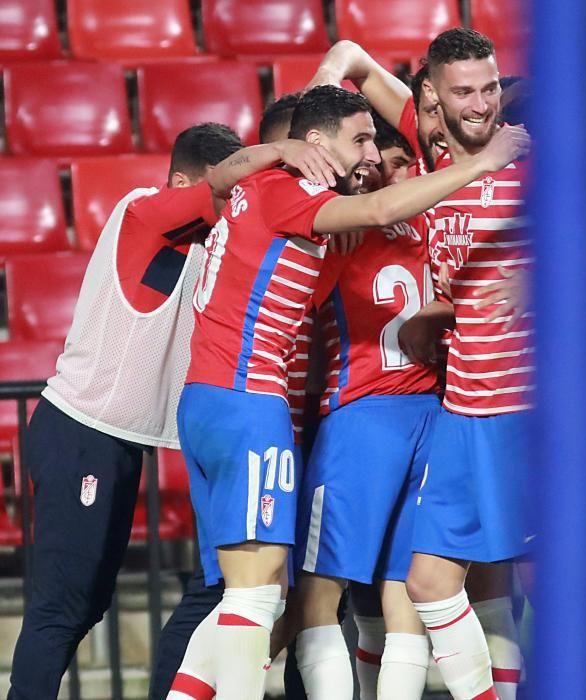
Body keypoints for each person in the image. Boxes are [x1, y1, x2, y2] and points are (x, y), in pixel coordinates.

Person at [168, 85, 529, 699]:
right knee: (284, 598)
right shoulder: (302, 196)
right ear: (314, 145)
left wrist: (273, 148)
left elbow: (228, 170)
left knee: (270, 596)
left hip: (219, 399)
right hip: (257, 400)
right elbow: (378, 209)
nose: (369, 152)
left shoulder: (259, 188)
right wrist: (482, 161)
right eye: (359, 139)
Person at [7, 121, 341, 700]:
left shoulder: (217, 243)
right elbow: (229, 193)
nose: (238, 202)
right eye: (227, 188)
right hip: (80, 429)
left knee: (85, 605)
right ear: (182, 181)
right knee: (61, 609)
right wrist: (285, 150)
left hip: (112, 440)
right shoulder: (139, 210)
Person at [313, 36, 529, 700]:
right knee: (432, 585)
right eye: (463, 91)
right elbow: (350, 57)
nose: (481, 103)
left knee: (547, 589)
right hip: (462, 410)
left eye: (489, 88)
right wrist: (316, 105)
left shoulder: (532, 157)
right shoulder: (436, 160)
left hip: (525, 413)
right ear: (432, 95)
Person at [290, 113, 435, 700]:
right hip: (428, 413)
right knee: (405, 603)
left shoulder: (335, 231)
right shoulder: (424, 221)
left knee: (318, 600)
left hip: (360, 417)